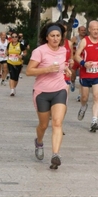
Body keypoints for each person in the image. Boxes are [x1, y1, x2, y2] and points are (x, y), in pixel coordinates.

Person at [26, 22, 72, 170]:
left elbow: (62, 65)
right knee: (43, 125)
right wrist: (47, 69)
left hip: (59, 89)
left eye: (58, 36)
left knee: (57, 123)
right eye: (52, 36)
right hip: (42, 93)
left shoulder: (63, 50)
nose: (55, 38)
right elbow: (29, 71)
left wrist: (66, 69)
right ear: (47, 37)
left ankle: (55, 155)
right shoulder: (39, 51)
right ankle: (39, 141)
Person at [74, 20, 98, 132]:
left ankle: (94, 121)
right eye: (93, 29)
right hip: (85, 73)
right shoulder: (84, 41)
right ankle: (83, 107)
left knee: (96, 96)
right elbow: (76, 56)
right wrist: (84, 63)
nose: (96, 31)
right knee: (84, 98)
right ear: (89, 30)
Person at [6, 32, 27, 96]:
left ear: (18, 38)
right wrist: (6, 54)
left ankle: (14, 87)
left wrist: (22, 56)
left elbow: (25, 52)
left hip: (18, 63)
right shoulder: (9, 44)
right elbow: (7, 51)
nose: (14, 38)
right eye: (13, 37)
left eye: (16, 37)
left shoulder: (20, 45)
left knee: (16, 77)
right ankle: (12, 90)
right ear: (11, 38)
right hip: (10, 62)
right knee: (12, 75)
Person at [71, 25, 87, 101]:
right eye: (82, 30)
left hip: (82, 59)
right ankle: (72, 82)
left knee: (82, 77)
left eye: (84, 30)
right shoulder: (74, 38)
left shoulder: (87, 39)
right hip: (75, 59)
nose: (83, 32)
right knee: (73, 75)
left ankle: (80, 94)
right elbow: (69, 47)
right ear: (78, 31)